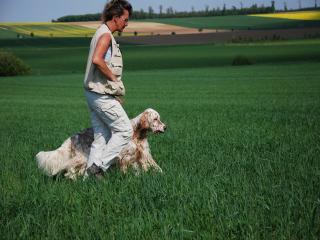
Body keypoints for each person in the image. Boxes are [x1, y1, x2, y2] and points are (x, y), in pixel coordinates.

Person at [83, 0, 133, 178]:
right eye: (125, 19)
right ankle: (98, 168)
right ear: (116, 17)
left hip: (93, 92)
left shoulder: (101, 32)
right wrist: (114, 80)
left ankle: (88, 181)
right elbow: (98, 59)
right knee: (125, 131)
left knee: (101, 136)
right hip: (100, 94)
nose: (127, 24)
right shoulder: (105, 36)